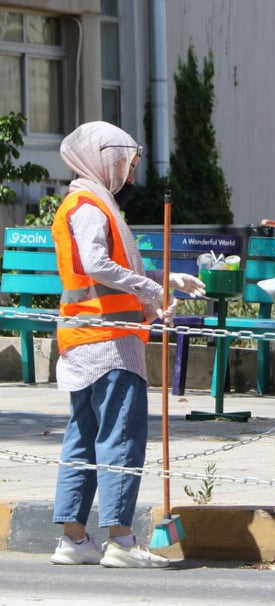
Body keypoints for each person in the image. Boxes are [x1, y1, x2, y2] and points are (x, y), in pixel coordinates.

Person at [49, 121, 206, 567]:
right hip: (109, 344)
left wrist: (166, 280)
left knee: (83, 437)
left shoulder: (91, 203)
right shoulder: (90, 205)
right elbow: (97, 264)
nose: (131, 176)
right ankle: (119, 539)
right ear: (106, 160)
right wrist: (152, 292)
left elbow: (112, 268)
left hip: (91, 339)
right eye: (127, 165)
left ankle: (74, 539)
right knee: (120, 438)